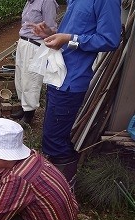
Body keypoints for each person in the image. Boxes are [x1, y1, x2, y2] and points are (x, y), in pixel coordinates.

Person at [31, 0, 121, 185]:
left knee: (54, 141)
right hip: (58, 76)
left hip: (71, 81)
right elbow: (72, 36)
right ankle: (56, 188)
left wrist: (69, 39)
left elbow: (110, 39)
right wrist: (52, 34)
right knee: (53, 136)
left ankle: (63, 191)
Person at [11, 0, 59, 124]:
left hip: (35, 45)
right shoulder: (29, 2)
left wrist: (45, 32)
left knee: (31, 79)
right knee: (20, 77)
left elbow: (52, 29)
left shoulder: (47, 2)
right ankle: (23, 107)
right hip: (23, 42)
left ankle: (29, 113)